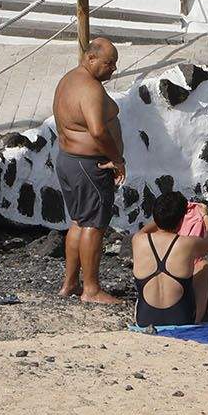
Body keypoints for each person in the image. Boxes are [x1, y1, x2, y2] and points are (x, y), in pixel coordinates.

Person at [52, 39, 124, 306]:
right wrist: (116, 158)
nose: (114, 69)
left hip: (69, 160)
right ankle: (91, 289)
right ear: (91, 58)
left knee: (79, 221)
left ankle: (70, 284)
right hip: (88, 165)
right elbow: (97, 130)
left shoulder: (69, 79)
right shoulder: (90, 88)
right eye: (109, 63)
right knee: (94, 225)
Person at [130, 189, 208, 328]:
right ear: (182, 220)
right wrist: (205, 215)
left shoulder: (138, 240)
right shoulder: (187, 243)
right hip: (181, 319)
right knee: (204, 266)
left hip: (144, 319)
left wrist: (161, 217)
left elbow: (145, 230)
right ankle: (203, 317)